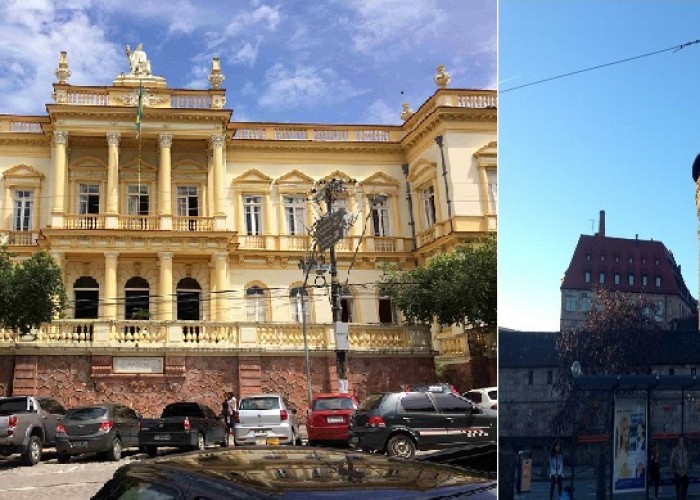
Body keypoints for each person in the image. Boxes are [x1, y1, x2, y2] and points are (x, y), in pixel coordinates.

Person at [670, 436, 689, 500]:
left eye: (683, 441)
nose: (682, 442)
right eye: (681, 441)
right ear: (678, 442)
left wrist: (685, 469)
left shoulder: (685, 449)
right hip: (677, 472)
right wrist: (677, 470)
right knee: (678, 489)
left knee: (685, 485)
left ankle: (683, 497)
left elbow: (686, 460)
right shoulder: (675, 450)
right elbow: (674, 461)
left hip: (684, 472)